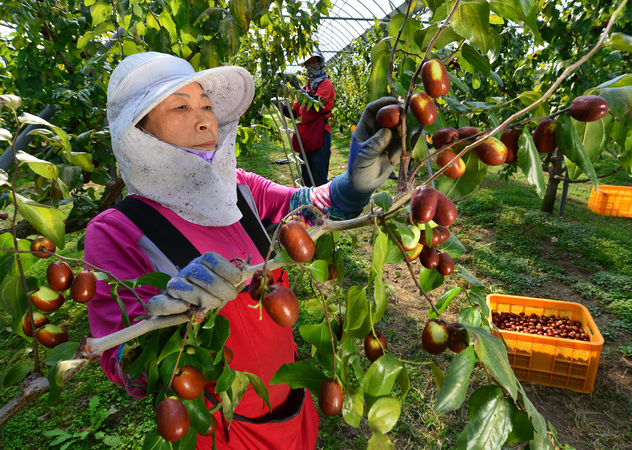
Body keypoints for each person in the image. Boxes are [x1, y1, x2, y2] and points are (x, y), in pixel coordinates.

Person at [85, 51, 400, 449]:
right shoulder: (116, 232)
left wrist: (351, 188)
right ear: (138, 130)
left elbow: (305, 206)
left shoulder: (239, 188)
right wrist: (166, 318)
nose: (203, 119)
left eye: (206, 105)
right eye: (180, 106)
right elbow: (123, 360)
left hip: (292, 411)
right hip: (221, 432)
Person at [288, 51, 335, 187]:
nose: (311, 66)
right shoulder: (305, 88)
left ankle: (320, 205)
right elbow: (294, 113)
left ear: (320, 64)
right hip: (306, 136)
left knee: (318, 177)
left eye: (314, 62)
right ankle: (308, 204)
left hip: (320, 135)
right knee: (306, 176)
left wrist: (298, 89)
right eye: (308, 63)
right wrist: (278, 102)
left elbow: (316, 104)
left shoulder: (326, 84)